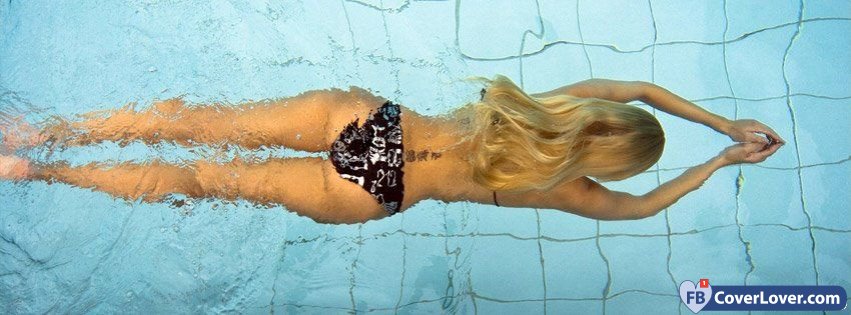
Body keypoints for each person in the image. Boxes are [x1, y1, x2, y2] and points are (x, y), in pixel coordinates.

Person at [0, 75, 784, 224]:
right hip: (370, 192)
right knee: (201, 181)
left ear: (595, 110)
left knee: (200, 124)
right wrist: (715, 163)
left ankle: (40, 133)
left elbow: (643, 89)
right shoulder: (568, 189)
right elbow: (645, 204)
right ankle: (38, 170)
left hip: (368, 122)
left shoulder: (546, 105)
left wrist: (721, 125)